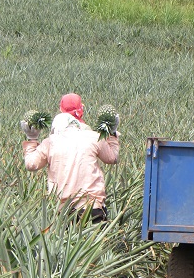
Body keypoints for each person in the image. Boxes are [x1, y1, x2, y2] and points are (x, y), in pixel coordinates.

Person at [20, 94, 120, 223]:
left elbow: (31, 164)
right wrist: (112, 133)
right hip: (92, 207)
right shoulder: (94, 137)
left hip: (64, 211)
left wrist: (32, 138)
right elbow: (112, 158)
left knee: (66, 241)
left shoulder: (50, 142)